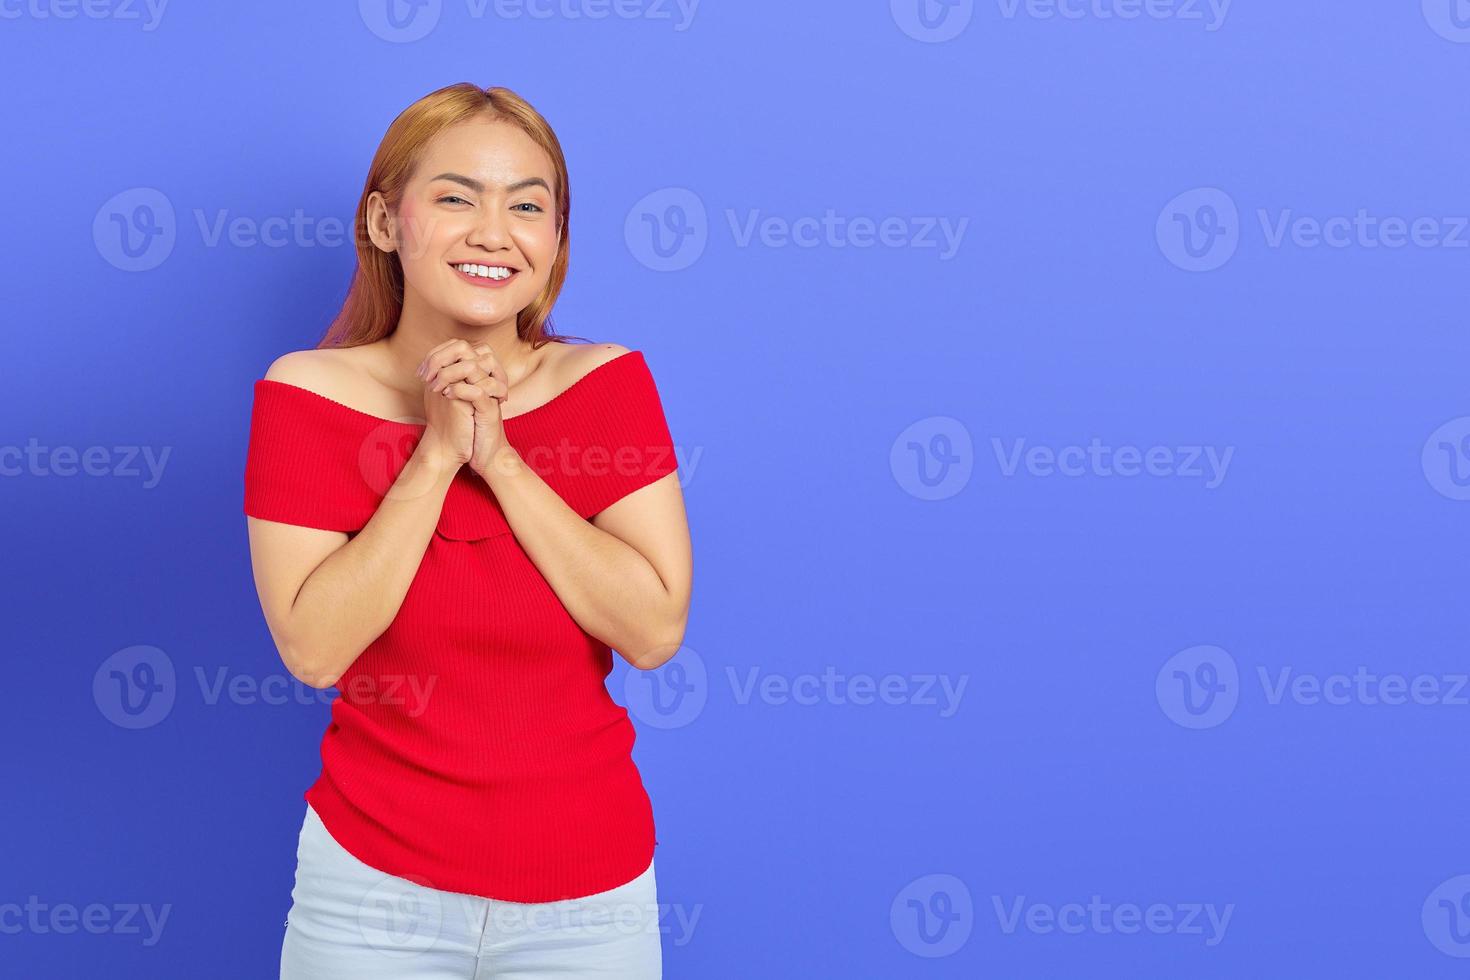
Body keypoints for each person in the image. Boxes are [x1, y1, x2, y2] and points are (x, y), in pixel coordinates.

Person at [242, 82, 692, 979]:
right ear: (383, 221)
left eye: (528, 205)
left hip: (588, 901)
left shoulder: (606, 385)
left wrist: (502, 459)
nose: (495, 231)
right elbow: (316, 649)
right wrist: (436, 455)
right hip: (371, 895)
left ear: (555, 238)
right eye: (456, 197)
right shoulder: (305, 395)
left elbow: (652, 630)